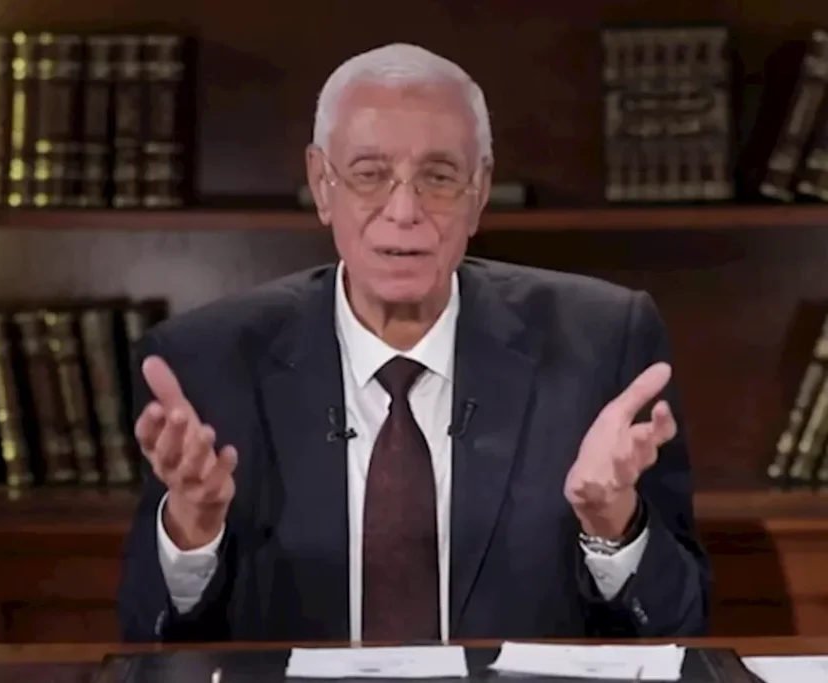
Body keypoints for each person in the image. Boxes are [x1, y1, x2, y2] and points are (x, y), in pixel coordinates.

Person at [117, 42, 711, 644]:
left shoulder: (601, 344)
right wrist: (192, 532)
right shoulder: (208, 363)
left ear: (479, 191)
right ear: (321, 184)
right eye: (370, 175)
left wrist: (613, 525)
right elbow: (147, 638)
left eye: (439, 177)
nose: (404, 211)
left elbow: (681, 623)